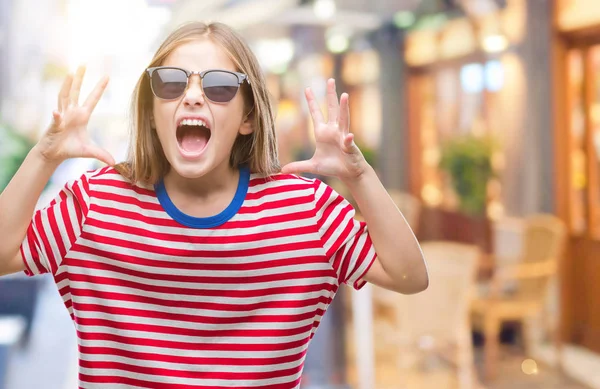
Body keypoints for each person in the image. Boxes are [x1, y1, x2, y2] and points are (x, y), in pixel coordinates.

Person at [0, 22, 428, 388]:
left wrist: (358, 173)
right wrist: (45, 154)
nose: (192, 96)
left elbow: (408, 275)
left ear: (247, 118)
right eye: (170, 82)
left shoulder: (305, 210)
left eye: (219, 86)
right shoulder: (94, 204)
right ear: (151, 111)